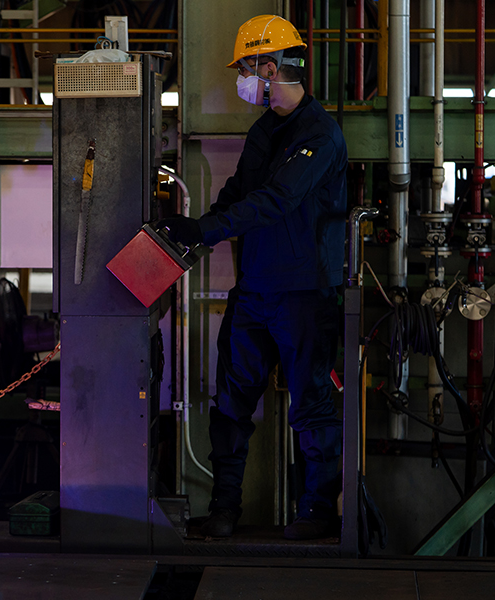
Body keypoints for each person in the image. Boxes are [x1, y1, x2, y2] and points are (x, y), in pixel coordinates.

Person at [158, 14, 347, 540]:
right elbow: (242, 190)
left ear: (271, 65)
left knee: (309, 405)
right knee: (231, 405)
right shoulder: (266, 129)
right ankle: (224, 510)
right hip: (257, 291)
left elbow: (278, 200)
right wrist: (192, 234)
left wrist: (208, 229)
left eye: (246, 67)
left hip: (304, 295)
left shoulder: (320, 134)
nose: (242, 78)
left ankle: (317, 514)